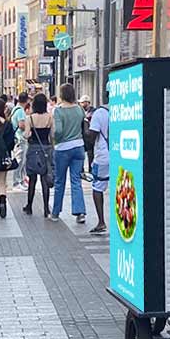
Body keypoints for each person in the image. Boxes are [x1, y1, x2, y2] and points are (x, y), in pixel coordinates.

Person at [50, 83, 87, 224]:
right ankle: (80, 212)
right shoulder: (79, 109)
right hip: (78, 147)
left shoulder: (58, 111)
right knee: (76, 180)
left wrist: (54, 137)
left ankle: (55, 212)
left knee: (60, 181)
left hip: (63, 148)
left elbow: (58, 131)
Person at [24, 92, 53, 217]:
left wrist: (30, 135)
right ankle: (46, 208)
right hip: (46, 148)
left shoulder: (29, 118)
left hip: (33, 149)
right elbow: (53, 135)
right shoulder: (50, 117)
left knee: (32, 179)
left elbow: (26, 135)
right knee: (44, 179)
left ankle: (29, 206)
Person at [88, 100, 109, 235]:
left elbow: (91, 137)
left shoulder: (100, 113)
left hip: (103, 156)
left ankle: (101, 221)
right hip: (124, 155)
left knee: (97, 188)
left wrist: (85, 125)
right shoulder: (127, 108)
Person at [10, 92, 29, 189]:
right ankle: (16, 182)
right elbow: (21, 125)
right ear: (27, 100)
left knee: (21, 161)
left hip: (16, 138)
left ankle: (21, 181)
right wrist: (28, 128)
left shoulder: (15, 109)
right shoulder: (21, 111)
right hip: (20, 138)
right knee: (20, 161)